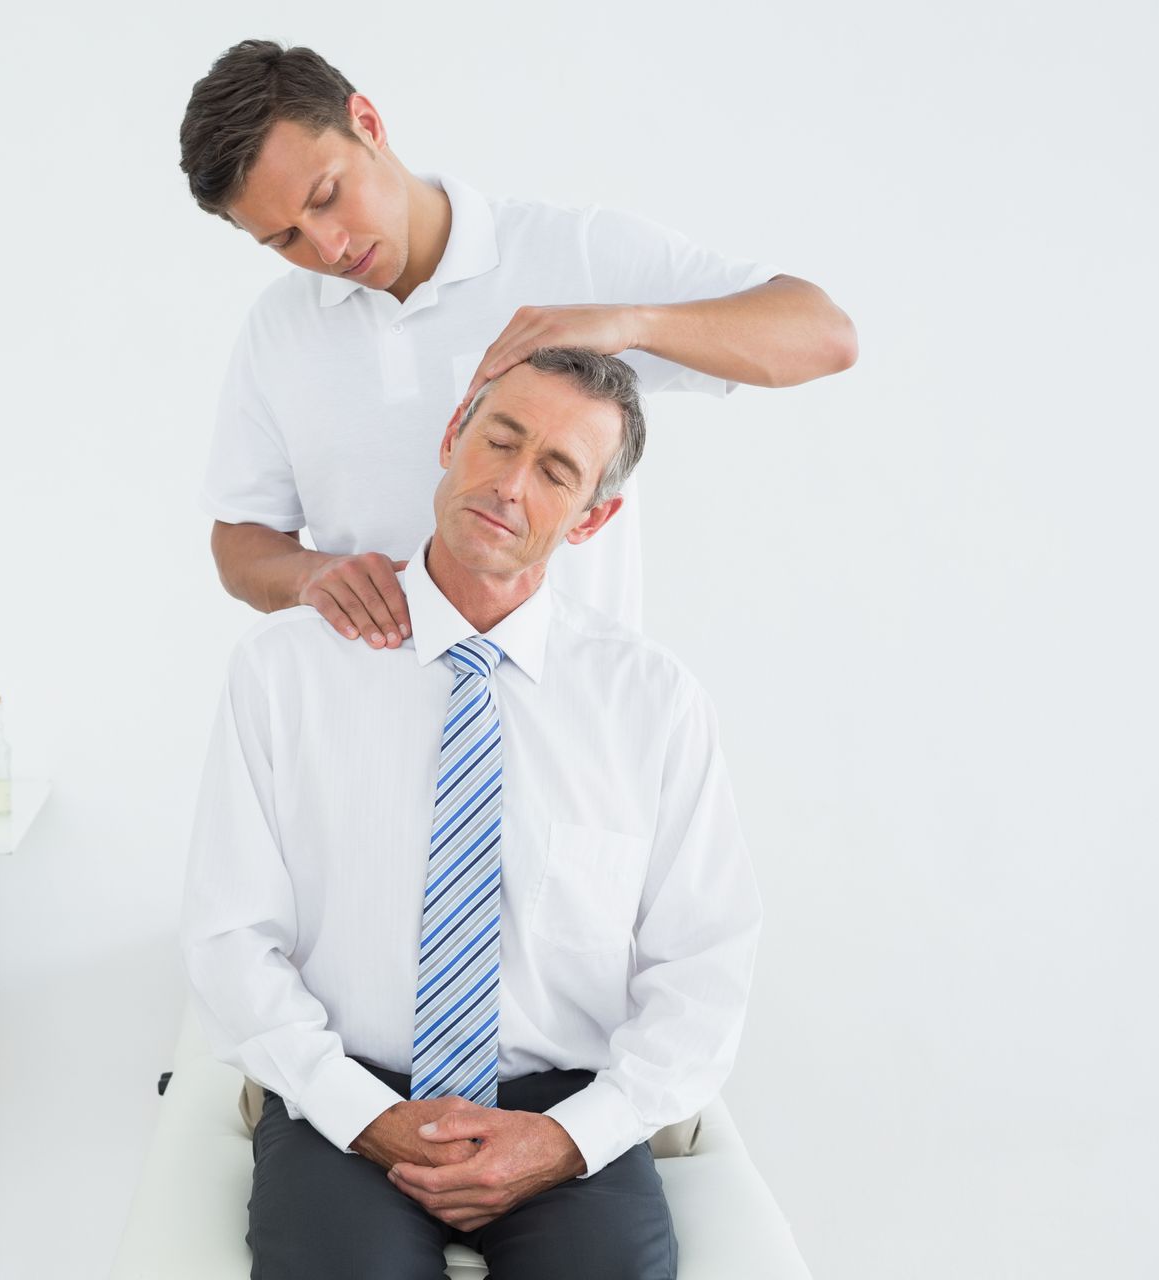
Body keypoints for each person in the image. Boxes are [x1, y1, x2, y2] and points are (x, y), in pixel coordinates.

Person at [182, 347, 763, 1279]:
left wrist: (572, 1137)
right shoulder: (284, 671)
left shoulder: (652, 702)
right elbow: (230, 935)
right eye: (500, 440)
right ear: (454, 437)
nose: (509, 483)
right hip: (347, 1092)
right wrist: (361, 1114)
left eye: (557, 471)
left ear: (593, 518)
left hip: (563, 1112)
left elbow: (704, 964)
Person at [180, 39, 857, 649]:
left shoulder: (578, 253)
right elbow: (239, 539)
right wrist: (307, 575)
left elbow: (825, 335)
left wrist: (632, 323)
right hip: (372, 729)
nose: (327, 246)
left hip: (573, 723)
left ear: (368, 123)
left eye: (327, 195)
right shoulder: (279, 330)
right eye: (284, 240)